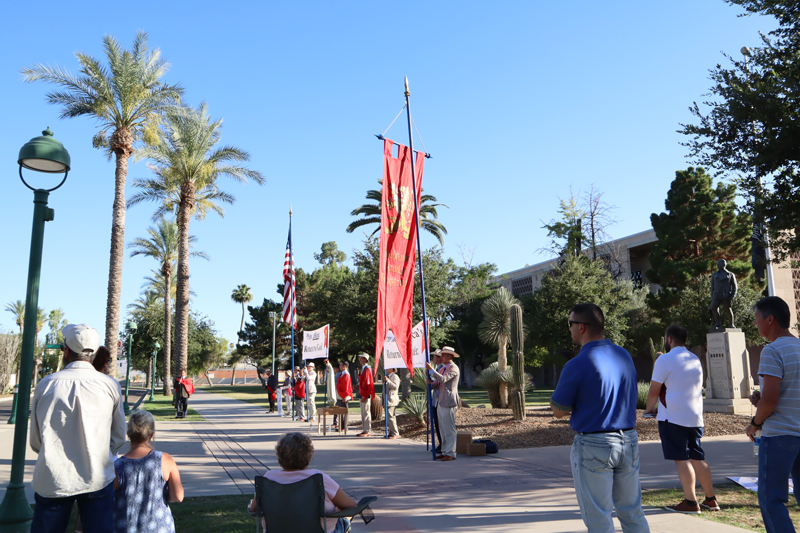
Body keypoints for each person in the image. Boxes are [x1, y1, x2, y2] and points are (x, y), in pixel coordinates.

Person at [550, 303, 650, 533]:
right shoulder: (624, 355)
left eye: (570, 324)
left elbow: (559, 410)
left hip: (594, 444)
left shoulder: (577, 363)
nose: (569, 329)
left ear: (582, 327)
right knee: (632, 512)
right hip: (629, 440)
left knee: (599, 518)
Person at [30, 324, 127, 533]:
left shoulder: (46, 384)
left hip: (53, 478)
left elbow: (36, 441)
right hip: (97, 476)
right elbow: (119, 437)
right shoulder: (109, 386)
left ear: (66, 351)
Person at [644, 324, 718, 514]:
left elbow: (654, 390)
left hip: (672, 417)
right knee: (697, 456)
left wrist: (649, 409)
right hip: (694, 416)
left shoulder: (665, 360)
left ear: (669, 339)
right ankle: (711, 500)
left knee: (681, 458)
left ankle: (691, 502)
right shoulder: (694, 359)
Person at [745, 296, 800, 533]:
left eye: (757, 319)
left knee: (772, 499)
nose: (755, 324)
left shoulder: (772, 350)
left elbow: (770, 400)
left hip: (780, 436)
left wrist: (755, 423)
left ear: (770, 319)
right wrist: (763, 400)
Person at [249, 432, 357, 533]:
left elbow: (254, 509)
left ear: (280, 456)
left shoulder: (268, 479)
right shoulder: (319, 478)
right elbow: (351, 506)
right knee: (344, 519)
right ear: (308, 456)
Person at [113, 410, 184, 533]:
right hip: (160, 527)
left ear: (129, 434)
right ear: (151, 435)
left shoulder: (117, 467)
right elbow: (178, 496)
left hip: (125, 527)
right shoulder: (164, 460)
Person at [425, 346, 460, 461]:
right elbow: (437, 383)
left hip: (449, 402)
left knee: (449, 429)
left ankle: (451, 452)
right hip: (440, 401)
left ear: (450, 356)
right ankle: (445, 450)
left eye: (444, 355)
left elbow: (444, 379)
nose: (442, 357)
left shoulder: (454, 368)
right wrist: (430, 383)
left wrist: (431, 370)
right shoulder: (442, 368)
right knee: (442, 429)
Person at [425, 349, 444, 454]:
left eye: (435, 357)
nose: (433, 359)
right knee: (437, 424)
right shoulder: (439, 367)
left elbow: (439, 382)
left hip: (439, 400)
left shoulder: (441, 368)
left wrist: (431, 382)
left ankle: (443, 445)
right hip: (436, 400)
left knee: (439, 424)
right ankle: (441, 444)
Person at [357, 354, 375, 437]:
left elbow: (367, 383)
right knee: (363, 412)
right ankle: (364, 429)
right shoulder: (363, 369)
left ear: (365, 359)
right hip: (362, 393)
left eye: (362, 358)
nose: (360, 359)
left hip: (365, 393)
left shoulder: (367, 369)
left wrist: (365, 395)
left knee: (366, 412)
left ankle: (367, 430)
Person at [333, 361, 352, 432]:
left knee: (344, 412)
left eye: (341, 365)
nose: (339, 366)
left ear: (344, 366)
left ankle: (345, 426)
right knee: (340, 411)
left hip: (344, 396)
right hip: (340, 395)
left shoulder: (346, 374)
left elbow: (346, 386)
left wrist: (345, 397)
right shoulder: (342, 374)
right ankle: (341, 426)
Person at [384, 367, 401, 439]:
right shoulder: (388, 376)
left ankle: (395, 433)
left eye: (387, 368)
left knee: (391, 416)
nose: (386, 370)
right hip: (387, 399)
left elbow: (395, 387)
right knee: (388, 417)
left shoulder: (395, 376)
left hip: (391, 399)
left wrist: (388, 381)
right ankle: (391, 432)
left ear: (391, 369)